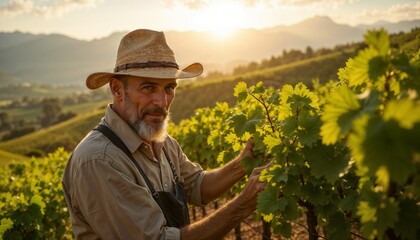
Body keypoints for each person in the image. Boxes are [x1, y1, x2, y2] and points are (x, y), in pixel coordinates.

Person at [62, 29, 267, 240]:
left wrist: (243, 163)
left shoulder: (162, 142)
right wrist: (242, 206)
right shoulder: (100, 160)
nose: (162, 102)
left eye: (169, 88)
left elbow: (198, 186)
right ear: (117, 90)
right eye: (148, 88)